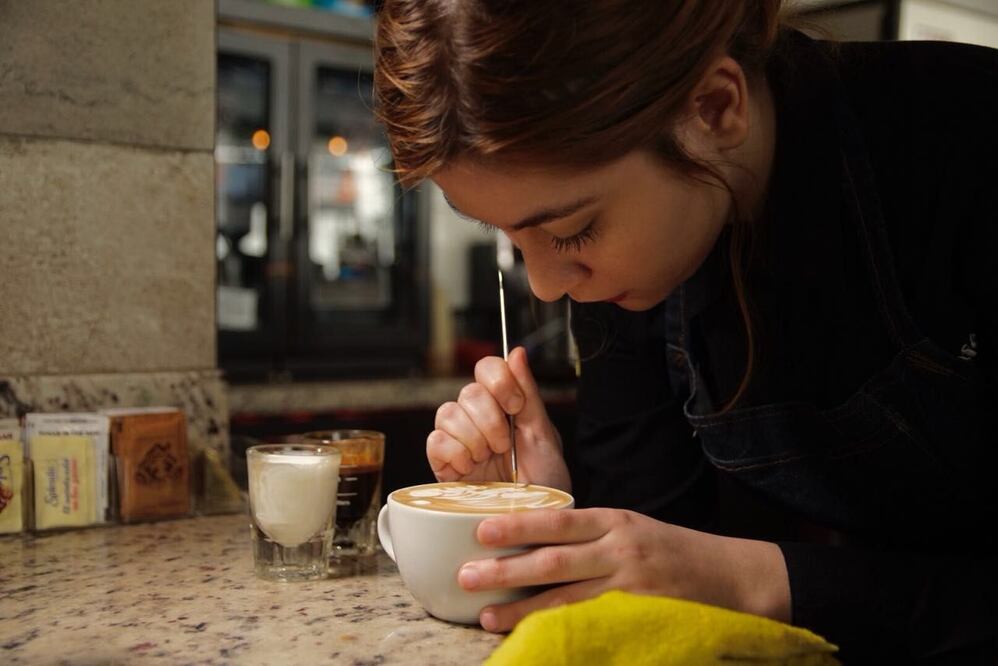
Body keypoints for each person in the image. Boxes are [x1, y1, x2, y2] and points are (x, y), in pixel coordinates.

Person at [374, 1, 998, 663]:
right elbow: (663, 585)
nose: (548, 285)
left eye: (570, 231)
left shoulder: (967, 141)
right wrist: (554, 520)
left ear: (715, 107)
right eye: (509, 237)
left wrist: (748, 580)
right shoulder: (630, 265)